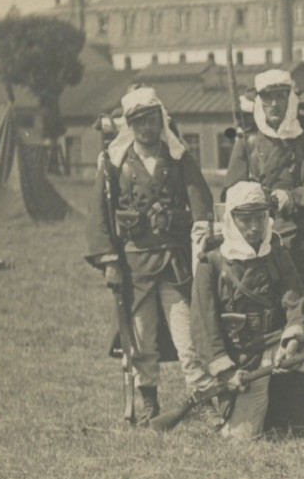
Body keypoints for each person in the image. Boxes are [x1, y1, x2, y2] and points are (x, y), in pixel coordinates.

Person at [84, 86, 215, 420]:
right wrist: (110, 260)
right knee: (141, 339)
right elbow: (99, 214)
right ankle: (148, 404)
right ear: (129, 124)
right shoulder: (114, 164)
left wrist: (200, 234)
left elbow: (199, 200)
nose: (146, 128)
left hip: (175, 262)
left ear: (161, 119)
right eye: (138, 121)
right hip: (134, 266)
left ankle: (203, 397)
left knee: (188, 337)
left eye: (151, 119)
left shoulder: (178, 157)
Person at [191, 181, 304, 440]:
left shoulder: (276, 253)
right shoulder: (212, 262)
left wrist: (293, 339)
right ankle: (215, 403)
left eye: (260, 218)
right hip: (242, 360)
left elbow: (296, 300)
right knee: (243, 438)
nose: (254, 227)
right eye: (246, 219)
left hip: (278, 344)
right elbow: (204, 326)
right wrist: (227, 373)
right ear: (231, 219)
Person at [224, 68, 304, 316]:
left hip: (298, 230)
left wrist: (291, 197)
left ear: (290, 99)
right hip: (254, 230)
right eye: (267, 97)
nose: (274, 104)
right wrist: (255, 197)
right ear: (259, 100)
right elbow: (231, 190)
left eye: (281, 97)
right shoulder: (247, 142)